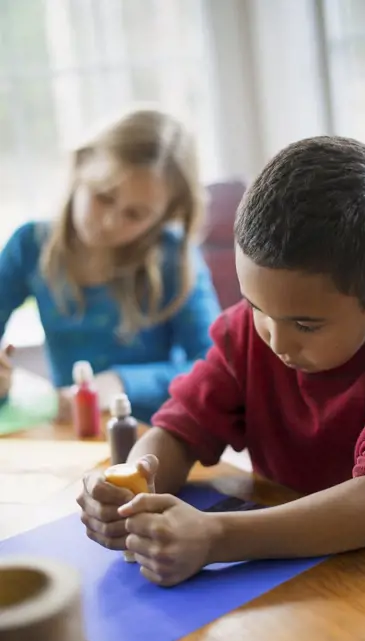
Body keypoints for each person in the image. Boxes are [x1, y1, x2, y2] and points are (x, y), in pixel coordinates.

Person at [78, 136, 365, 586]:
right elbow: (178, 429)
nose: (275, 339)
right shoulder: (248, 331)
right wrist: (134, 486)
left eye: (306, 325)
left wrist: (215, 536)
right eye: (255, 305)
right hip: (291, 575)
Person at [0, 106, 220, 422]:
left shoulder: (174, 258)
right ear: (81, 165)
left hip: (162, 433)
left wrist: (120, 382)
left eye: (135, 214)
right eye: (103, 195)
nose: (109, 221)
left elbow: (214, 366)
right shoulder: (29, 244)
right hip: (75, 433)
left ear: (165, 216)